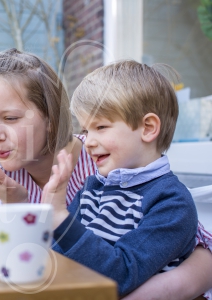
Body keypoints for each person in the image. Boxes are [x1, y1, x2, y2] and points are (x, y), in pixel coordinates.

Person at [0, 49, 212, 299]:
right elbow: (51, 258)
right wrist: (18, 205)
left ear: (51, 118)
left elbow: (125, 270)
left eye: (10, 117)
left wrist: (59, 217)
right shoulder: (96, 185)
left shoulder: (145, 186)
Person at [41, 60, 198, 296]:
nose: (89, 141)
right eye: (85, 130)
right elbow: (57, 257)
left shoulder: (171, 203)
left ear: (147, 128)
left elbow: (120, 275)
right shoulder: (91, 189)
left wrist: (60, 218)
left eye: (101, 127)